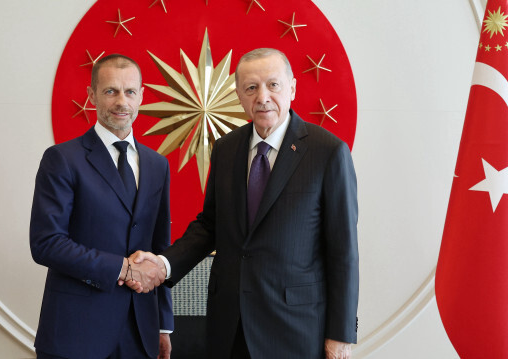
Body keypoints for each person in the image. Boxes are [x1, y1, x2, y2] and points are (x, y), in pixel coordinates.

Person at [131, 48, 359, 359]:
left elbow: (343, 251)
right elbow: (210, 225)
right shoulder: (226, 149)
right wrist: (163, 264)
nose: (262, 96)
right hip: (230, 328)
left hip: (296, 331)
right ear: (239, 95)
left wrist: (341, 334)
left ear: (292, 87)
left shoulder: (328, 152)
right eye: (251, 87)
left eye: (273, 85)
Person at [30, 54, 173, 359]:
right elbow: (46, 243)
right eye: (111, 91)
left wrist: (163, 326)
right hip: (76, 333)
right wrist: (123, 268)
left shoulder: (157, 164)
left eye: (130, 92)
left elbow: (159, 247)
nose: (122, 101)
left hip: (140, 332)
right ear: (91, 95)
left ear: (141, 96)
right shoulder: (62, 159)